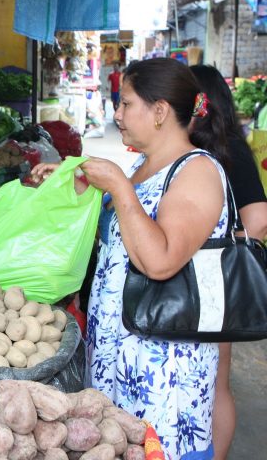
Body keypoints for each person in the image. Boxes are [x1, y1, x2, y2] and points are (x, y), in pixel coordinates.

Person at [32, 58, 230, 460]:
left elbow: (160, 261)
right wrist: (80, 187)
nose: (116, 115)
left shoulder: (198, 171)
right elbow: (124, 234)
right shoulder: (143, 167)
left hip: (164, 372)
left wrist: (119, 188)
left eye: (125, 104)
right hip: (117, 356)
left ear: (159, 112)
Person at [190, 64, 267, 460]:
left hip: (216, 282)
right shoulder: (190, 146)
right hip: (191, 280)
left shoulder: (229, 148)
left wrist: (213, 248)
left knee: (217, 382)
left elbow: (258, 220)